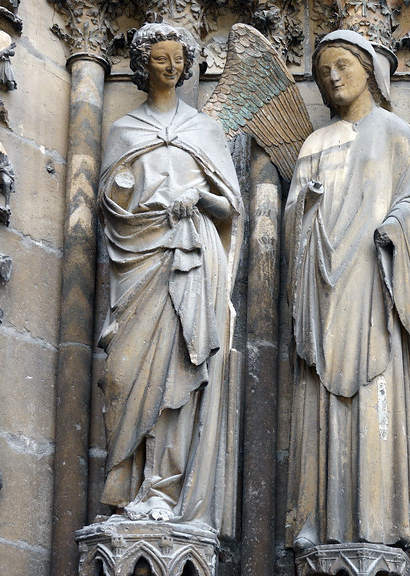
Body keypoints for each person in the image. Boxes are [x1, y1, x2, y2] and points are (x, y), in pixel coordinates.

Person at [97, 22, 243, 534]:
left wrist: (198, 198)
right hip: (140, 263)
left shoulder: (204, 131)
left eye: (178, 58)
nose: (171, 66)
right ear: (142, 66)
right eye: (160, 58)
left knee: (180, 369)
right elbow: (110, 210)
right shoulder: (124, 131)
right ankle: (127, 485)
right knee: (123, 373)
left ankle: (164, 488)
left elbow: (231, 208)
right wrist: (140, 201)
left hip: (193, 263)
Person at [285, 29, 410, 552]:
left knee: (376, 398)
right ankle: (320, 521)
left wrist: (393, 229)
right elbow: (292, 217)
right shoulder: (314, 144)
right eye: (324, 72)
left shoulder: (394, 131)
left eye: (342, 65)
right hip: (324, 290)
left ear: (369, 68)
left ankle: (379, 522)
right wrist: (307, 206)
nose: (334, 77)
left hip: (374, 281)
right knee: (319, 402)